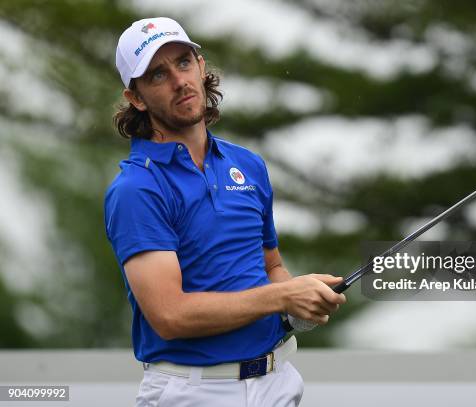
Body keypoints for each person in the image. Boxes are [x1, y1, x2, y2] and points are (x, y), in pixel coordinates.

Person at [104, 17, 346, 407]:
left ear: (201, 66)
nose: (179, 81)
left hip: (278, 382)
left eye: (183, 62)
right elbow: (169, 315)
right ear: (136, 98)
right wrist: (283, 297)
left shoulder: (247, 164)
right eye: (157, 75)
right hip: (193, 391)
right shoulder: (137, 189)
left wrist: (300, 304)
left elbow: (271, 268)